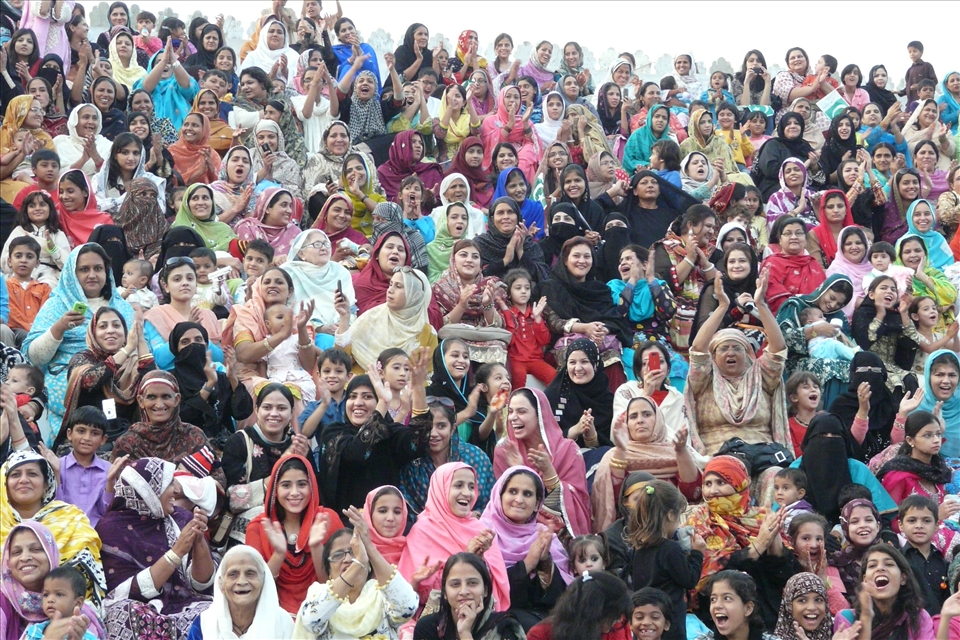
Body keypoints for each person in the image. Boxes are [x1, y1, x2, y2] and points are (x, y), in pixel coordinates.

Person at [95, 457, 215, 639]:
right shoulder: (111, 529)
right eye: (168, 485)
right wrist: (177, 552)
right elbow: (125, 593)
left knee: (215, 613)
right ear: (146, 491)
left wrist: (198, 542)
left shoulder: (181, 518)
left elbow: (202, 584)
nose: (176, 490)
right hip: (140, 610)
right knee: (124, 614)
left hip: (185, 604)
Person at [22, 243, 134, 435]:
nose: (92, 275)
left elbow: (136, 349)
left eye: (98, 268)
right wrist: (60, 327)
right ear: (71, 274)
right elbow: (35, 357)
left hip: (119, 376)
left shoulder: (122, 307)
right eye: (84, 269)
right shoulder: (57, 305)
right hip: (71, 377)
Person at [685, 267, 792, 457]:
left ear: (749, 353)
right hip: (717, 458)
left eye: (737, 348)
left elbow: (778, 347)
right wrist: (722, 307)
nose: (730, 353)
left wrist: (760, 304)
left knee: (775, 477)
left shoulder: (760, 375)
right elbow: (698, 348)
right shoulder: (705, 378)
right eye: (723, 349)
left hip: (763, 456)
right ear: (714, 357)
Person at [317, 348, 430, 516]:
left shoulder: (390, 433)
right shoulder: (333, 432)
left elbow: (419, 443)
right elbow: (357, 453)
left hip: (386, 524)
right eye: (352, 396)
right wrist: (383, 404)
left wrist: (419, 388)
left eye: (368, 397)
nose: (358, 402)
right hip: (345, 526)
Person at [399, 461, 511, 610]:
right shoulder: (423, 531)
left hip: (480, 613)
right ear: (441, 489)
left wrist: (481, 561)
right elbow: (412, 592)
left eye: (471, 487)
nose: (467, 493)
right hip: (436, 618)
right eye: (458, 485)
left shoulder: (480, 530)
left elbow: (497, 586)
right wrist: (468, 559)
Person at [0, 449, 106, 605]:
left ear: (46, 485)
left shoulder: (71, 518)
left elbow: (84, 575)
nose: (24, 480)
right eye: (16, 475)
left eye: (32, 474)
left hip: (67, 611)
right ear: (4, 485)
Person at [245, 454, 342, 615]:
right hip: (274, 615)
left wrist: (316, 547)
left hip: (325, 612)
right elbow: (256, 590)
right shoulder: (258, 528)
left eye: (302, 484)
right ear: (274, 490)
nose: (294, 492)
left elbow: (336, 586)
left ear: (312, 487)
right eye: (286, 485)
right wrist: (279, 554)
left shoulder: (327, 520)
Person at [478, 467, 572, 629]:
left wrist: (545, 562)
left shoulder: (544, 537)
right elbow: (483, 591)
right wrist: (527, 564)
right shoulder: (482, 534)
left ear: (537, 504)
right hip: (496, 622)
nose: (519, 500)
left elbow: (562, 597)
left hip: (542, 618)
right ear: (499, 496)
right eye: (512, 491)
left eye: (527, 494)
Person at [592, 396, 701, 532]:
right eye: (633, 417)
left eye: (647, 414)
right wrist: (621, 450)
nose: (640, 420)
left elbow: (693, 494)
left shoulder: (676, 449)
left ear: (659, 420)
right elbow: (614, 498)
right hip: (630, 529)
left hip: (675, 524)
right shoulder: (614, 455)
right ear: (627, 424)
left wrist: (681, 451)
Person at [495, 388, 592, 538]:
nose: (512, 417)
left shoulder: (567, 450)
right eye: (511, 411)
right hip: (513, 535)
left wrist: (549, 473)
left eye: (521, 411)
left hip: (559, 537)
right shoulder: (505, 450)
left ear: (540, 415)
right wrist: (519, 472)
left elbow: (576, 506)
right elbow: (501, 505)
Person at [295, 522, 418, 640]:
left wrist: (369, 547)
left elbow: (408, 608)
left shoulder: (383, 596)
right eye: (338, 555)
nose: (348, 559)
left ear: (369, 565)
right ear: (329, 571)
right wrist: (358, 563)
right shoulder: (319, 594)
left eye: (354, 553)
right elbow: (311, 621)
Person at [110, 371, 226, 487]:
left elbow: (218, 481)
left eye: (166, 396)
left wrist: (184, 490)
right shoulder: (128, 443)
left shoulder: (193, 436)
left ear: (176, 399)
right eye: (151, 397)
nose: (159, 405)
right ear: (141, 401)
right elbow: (117, 488)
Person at [0, 521, 106, 640]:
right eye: (16, 552)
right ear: (8, 561)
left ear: (51, 554)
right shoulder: (2, 602)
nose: (24, 558)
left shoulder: (77, 611)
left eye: (35, 549)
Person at [186, 544, 293, 640]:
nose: (241, 582)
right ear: (221, 584)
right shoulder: (204, 623)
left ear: (263, 581)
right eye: (233, 574)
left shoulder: (282, 623)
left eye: (250, 573)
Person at [169, 321, 252, 444]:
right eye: (185, 342)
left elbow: (243, 412)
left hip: (222, 446)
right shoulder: (170, 380)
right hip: (184, 446)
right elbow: (181, 417)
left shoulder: (222, 378)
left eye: (198, 340)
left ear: (206, 345)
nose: (193, 345)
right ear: (176, 348)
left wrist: (233, 378)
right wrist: (209, 385)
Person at [413, 551, 527, 640]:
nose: (464, 591)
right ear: (445, 593)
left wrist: (465, 634)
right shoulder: (429, 627)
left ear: (486, 590)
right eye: (455, 584)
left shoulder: (505, 627)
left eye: (472, 583)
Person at [833, 545, 933, 639]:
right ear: (865, 580)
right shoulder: (847, 618)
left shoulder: (919, 617)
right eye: (872, 565)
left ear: (903, 578)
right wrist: (866, 616)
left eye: (889, 564)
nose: (880, 568)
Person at [526, 571, 632, 640]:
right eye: (615, 615)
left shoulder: (618, 628)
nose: (619, 619)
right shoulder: (541, 634)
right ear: (594, 614)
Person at [475, 197, 551, 282]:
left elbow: (542, 277)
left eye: (510, 212)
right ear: (492, 219)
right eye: (500, 213)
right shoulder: (480, 244)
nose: (506, 217)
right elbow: (475, 277)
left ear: (518, 217)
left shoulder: (530, 245)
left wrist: (520, 252)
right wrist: (505, 260)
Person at [134, 42, 200, 131]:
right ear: (151, 67)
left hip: (179, 136)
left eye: (169, 63)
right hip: (148, 135)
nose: (165, 64)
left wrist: (173, 60)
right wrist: (164, 61)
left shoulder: (178, 83)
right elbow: (145, 89)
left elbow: (188, 86)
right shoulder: (143, 82)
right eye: (159, 62)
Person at [234, 188, 301, 258]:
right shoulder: (248, 228)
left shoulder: (295, 232)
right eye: (284, 205)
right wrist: (273, 260)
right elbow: (251, 259)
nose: (289, 211)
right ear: (267, 208)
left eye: (290, 206)